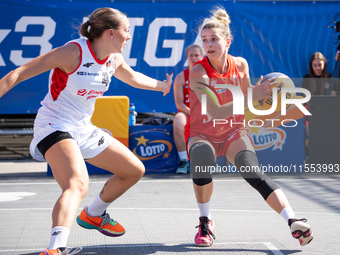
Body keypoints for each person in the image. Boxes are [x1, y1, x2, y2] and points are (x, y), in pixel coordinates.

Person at [0, 7, 172, 255]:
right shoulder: (72, 53)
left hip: (83, 128)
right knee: (77, 183)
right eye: (127, 31)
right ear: (111, 33)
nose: (129, 36)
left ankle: (94, 214)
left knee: (134, 170)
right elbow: (18, 74)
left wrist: (162, 86)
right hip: (54, 124)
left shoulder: (113, 58)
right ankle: (56, 248)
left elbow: (133, 77)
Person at [184, 7, 313, 247]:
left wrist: (269, 102)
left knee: (252, 171)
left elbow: (244, 104)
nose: (208, 44)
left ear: (227, 41)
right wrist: (255, 95)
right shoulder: (198, 71)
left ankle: (293, 220)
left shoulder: (240, 65)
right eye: (204, 40)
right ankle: (205, 221)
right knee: (201, 160)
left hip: (233, 131)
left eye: (214, 39)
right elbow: (215, 111)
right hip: (202, 133)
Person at [173, 44, 204, 174]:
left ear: (202, 57)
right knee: (179, 122)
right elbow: (179, 103)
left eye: (196, 55)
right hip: (187, 111)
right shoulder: (181, 77)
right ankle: (184, 161)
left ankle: (209, 161)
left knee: (212, 121)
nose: (193, 58)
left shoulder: (208, 75)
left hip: (205, 111)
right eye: (191, 55)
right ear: (187, 58)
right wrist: (192, 113)